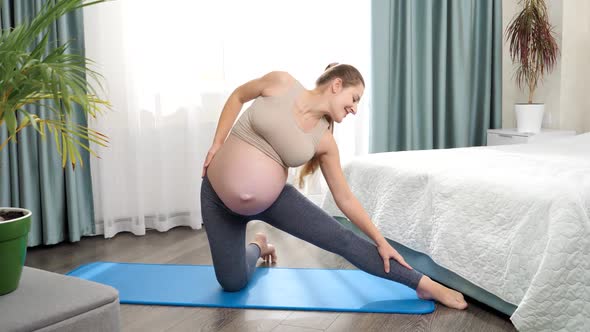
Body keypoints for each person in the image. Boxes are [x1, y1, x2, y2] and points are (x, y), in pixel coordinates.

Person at [200, 63, 468, 310]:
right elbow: (238, 95)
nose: (355, 109)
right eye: (354, 98)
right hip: (217, 200)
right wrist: (217, 142)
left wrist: (381, 241)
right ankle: (259, 245)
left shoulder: (325, 141)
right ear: (336, 85)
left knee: (342, 239)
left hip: (275, 202)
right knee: (232, 283)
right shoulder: (281, 83)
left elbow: (345, 199)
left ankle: (423, 285)